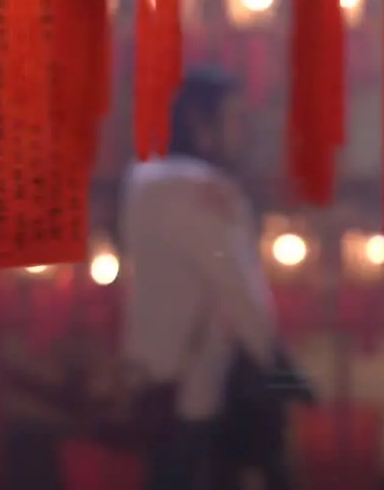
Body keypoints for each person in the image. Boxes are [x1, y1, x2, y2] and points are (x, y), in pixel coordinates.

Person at [121, 66, 310, 490]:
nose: (242, 131)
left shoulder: (143, 177)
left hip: (153, 374)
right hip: (198, 385)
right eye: (234, 118)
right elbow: (239, 287)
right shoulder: (198, 188)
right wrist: (273, 361)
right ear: (199, 120)